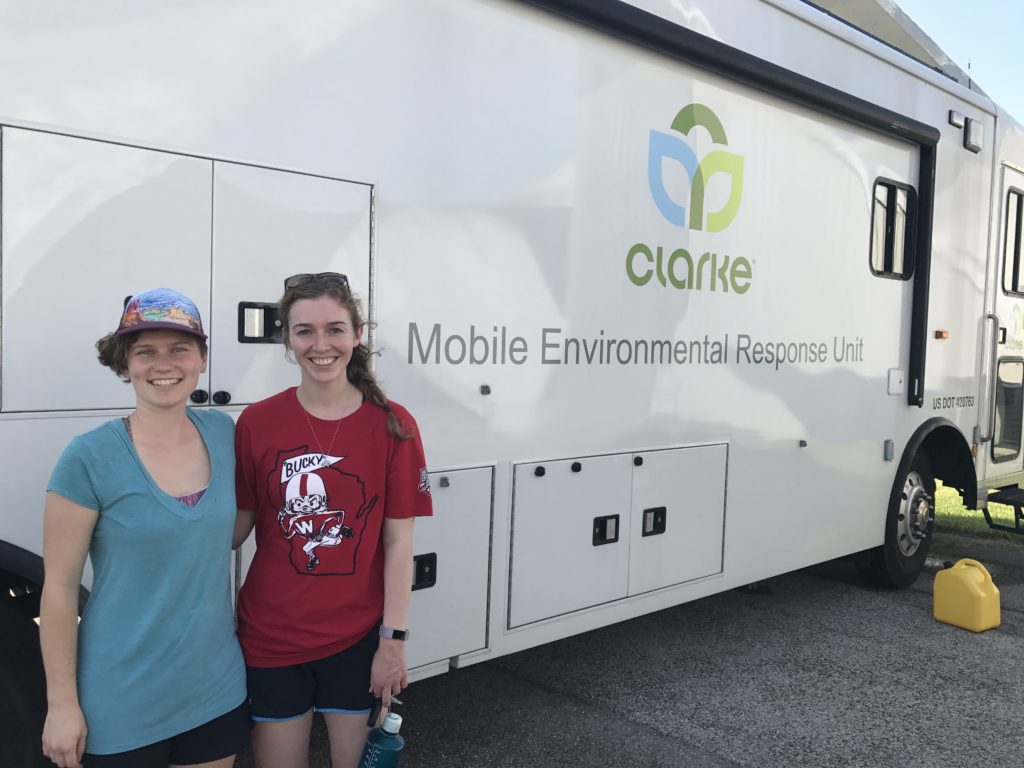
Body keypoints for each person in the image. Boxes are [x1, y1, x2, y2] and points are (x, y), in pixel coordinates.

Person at [39, 288, 248, 768]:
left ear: (202, 358)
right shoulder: (88, 457)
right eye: (145, 351)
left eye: (179, 349)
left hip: (213, 689)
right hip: (121, 700)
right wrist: (61, 705)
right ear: (125, 363)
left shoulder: (224, 433)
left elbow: (228, 533)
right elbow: (60, 589)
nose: (163, 364)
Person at [233, 272, 432, 768]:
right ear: (287, 339)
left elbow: (398, 545)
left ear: (358, 334)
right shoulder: (256, 422)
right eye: (304, 331)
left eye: (335, 329)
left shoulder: (394, 425)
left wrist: (394, 641)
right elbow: (235, 530)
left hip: (357, 641)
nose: (320, 345)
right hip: (271, 637)